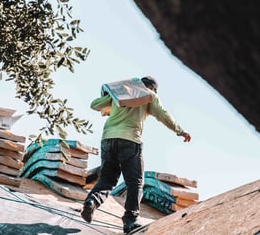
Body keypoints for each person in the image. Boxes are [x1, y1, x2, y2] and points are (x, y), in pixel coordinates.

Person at [81, 76, 191, 234]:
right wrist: (180, 131)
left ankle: (92, 201)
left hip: (108, 140)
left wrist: (109, 96)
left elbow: (94, 105)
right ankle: (130, 221)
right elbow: (163, 115)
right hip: (130, 141)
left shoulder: (121, 93)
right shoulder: (150, 96)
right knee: (135, 182)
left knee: (107, 179)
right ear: (152, 88)